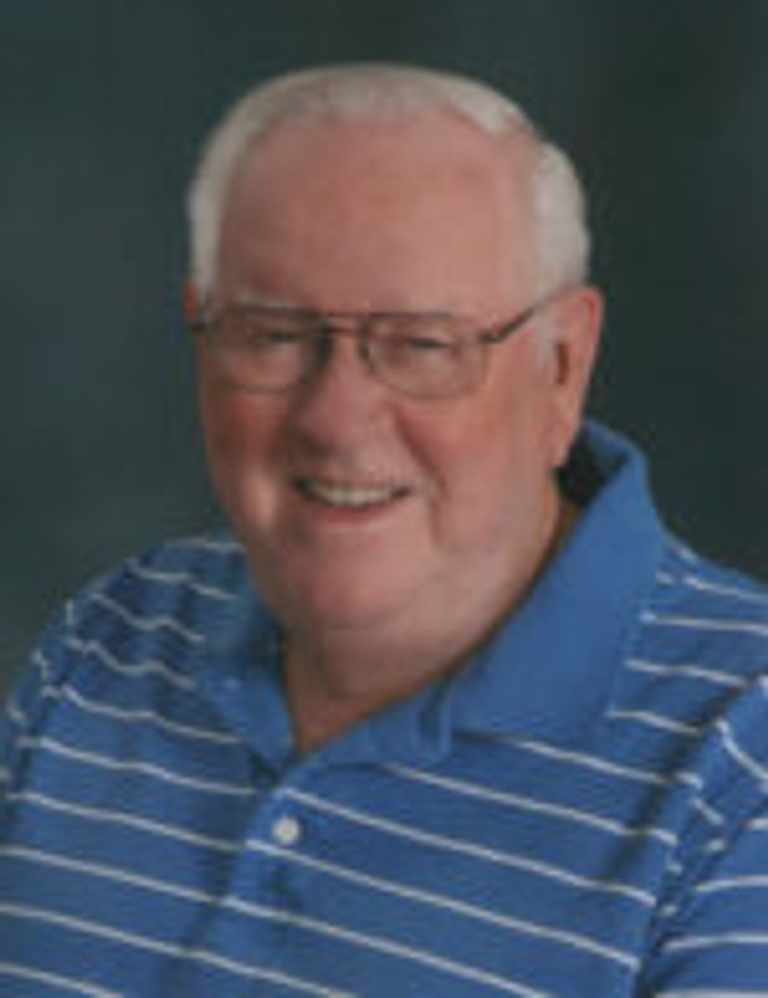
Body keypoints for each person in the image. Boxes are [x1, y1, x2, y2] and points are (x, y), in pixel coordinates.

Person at [2, 63, 768, 997]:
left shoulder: (742, 767)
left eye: (422, 344)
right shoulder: (108, 639)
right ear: (202, 334)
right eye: (275, 334)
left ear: (563, 365)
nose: (338, 417)